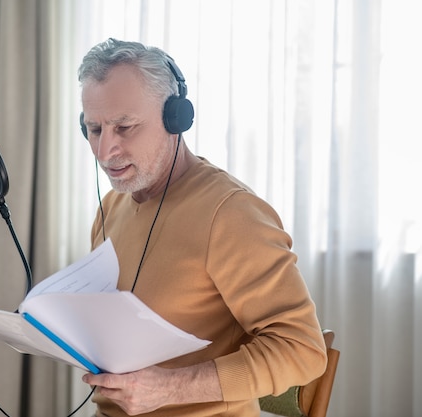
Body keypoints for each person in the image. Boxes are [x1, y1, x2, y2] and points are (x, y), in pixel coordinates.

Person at [77, 38, 328, 417]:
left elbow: (302, 350)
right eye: (94, 129)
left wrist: (171, 388)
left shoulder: (230, 214)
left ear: (175, 119)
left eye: (124, 127)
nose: (104, 151)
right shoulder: (112, 206)